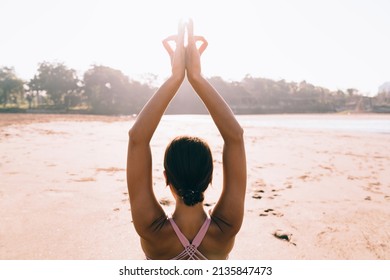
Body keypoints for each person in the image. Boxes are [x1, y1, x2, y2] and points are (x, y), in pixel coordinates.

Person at [126, 19, 246, 260]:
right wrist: (196, 77)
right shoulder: (224, 229)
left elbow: (137, 138)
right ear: (211, 177)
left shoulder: (152, 230)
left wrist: (175, 77)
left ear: (166, 176)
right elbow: (235, 138)